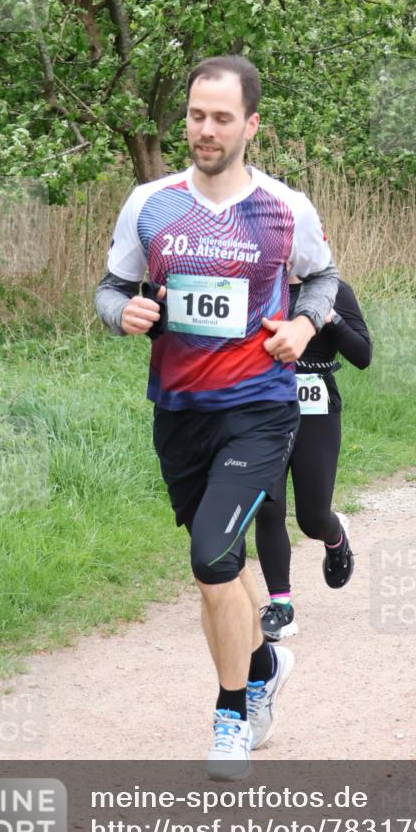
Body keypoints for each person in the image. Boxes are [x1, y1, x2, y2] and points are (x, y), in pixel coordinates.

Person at [95, 55, 339, 779]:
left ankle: (232, 711)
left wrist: (303, 323)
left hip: (259, 409)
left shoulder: (284, 207)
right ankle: (266, 660)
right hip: (178, 413)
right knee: (222, 562)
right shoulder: (150, 203)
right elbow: (111, 289)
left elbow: (321, 277)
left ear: (250, 125)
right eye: (196, 116)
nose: (204, 130)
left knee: (209, 559)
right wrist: (124, 314)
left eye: (221, 118)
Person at [255, 276, 372, 642]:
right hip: (264, 410)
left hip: (317, 410)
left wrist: (330, 317)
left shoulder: (334, 289)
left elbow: (363, 356)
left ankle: (335, 535)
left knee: (312, 518)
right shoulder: (258, 284)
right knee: (269, 506)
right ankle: (281, 606)